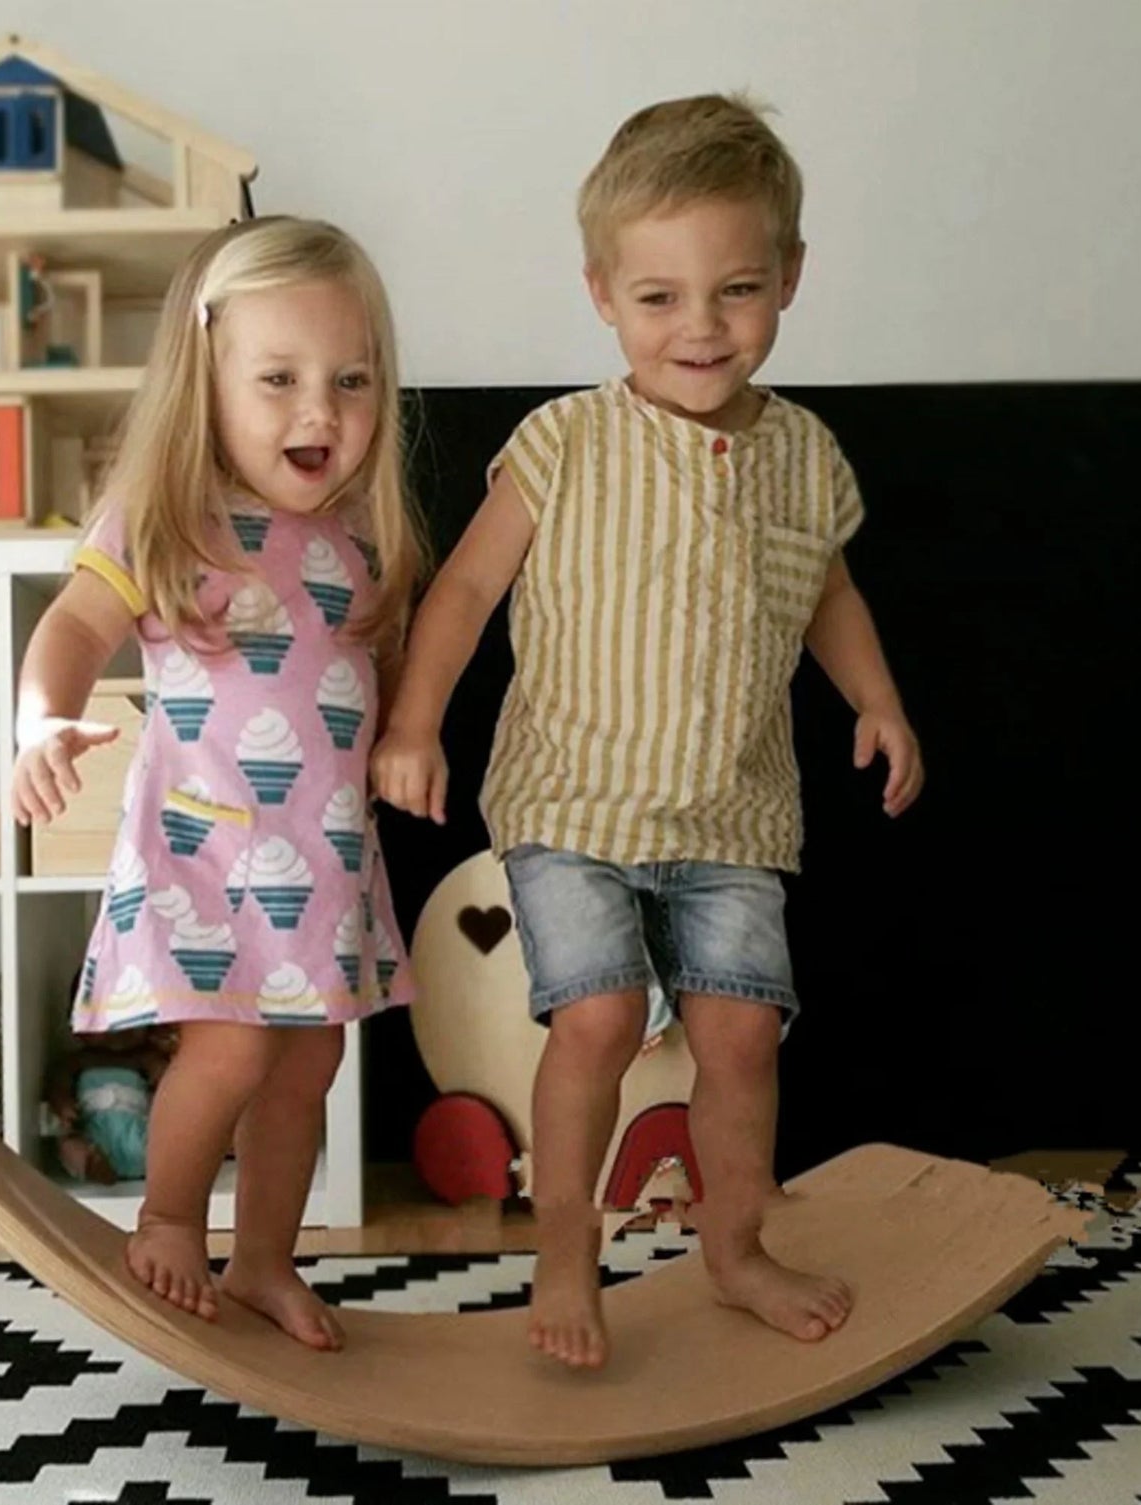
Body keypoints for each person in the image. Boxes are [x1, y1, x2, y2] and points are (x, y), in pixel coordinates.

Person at [372, 95, 924, 1370]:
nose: (701, 327)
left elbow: (828, 594)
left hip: (734, 811)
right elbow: (465, 590)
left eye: (737, 290)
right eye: (660, 297)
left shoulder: (804, 457)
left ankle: (736, 1246)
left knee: (742, 1035)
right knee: (601, 1018)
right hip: (573, 801)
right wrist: (415, 722)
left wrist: (880, 701)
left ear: (790, 276)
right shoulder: (564, 443)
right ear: (603, 295)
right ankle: (568, 1251)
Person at [13, 216, 423, 1351]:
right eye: (280, 379)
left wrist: (409, 736)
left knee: (312, 1057)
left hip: (323, 853)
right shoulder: (167, 518)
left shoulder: (360, 539)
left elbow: (372, 675)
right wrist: (40, 720)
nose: (319, 412)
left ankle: (264, 1260)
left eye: (350, 380)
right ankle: (170, 1218)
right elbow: (72, 626)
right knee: (232, 1048)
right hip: (206, 851)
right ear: (209, 379)